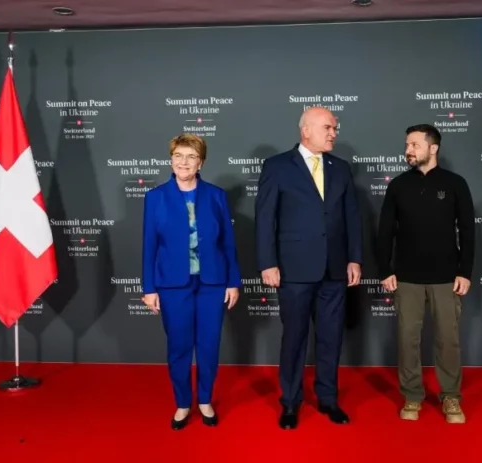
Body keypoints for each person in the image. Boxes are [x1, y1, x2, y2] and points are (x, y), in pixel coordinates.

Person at [255, 106, 363, 430]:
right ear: (306, 131)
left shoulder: (340, 168)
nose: (334, 133)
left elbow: (352, 216)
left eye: (335, 128)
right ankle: (290, 402)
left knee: (331, 338)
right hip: (293, 270)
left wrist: (354, 258)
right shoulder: (276, 166)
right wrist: (268, 263)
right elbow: (265, 218)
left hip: (334, 269)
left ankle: (328, 399)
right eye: (328, 127)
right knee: (294, 339)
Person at [141, 133, 241, 431]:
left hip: (212, 283)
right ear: (171, 160)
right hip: (173, 286)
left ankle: (206, 400)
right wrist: (149, 288)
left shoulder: (216, 195)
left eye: (191, 157)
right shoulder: (155, 197)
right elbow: (149, 245)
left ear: (201, 163)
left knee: (209, 346)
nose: (184, 162)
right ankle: (183, 403)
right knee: (179, 346)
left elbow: (228, 243)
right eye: (178, 156)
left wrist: (233, 282)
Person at [377, 124, 475, 424]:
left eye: (415, 145)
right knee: (408, 340)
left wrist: (465, 272)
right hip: (406, 277)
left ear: (433, 148)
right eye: (407, 144)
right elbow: (385, 231)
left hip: (446, 277)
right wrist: (385, 270)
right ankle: (412, 396)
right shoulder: (398, 185)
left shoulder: (456, 183)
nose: (408, 150)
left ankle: (451, 396)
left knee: (448, 340)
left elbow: (468, 231)